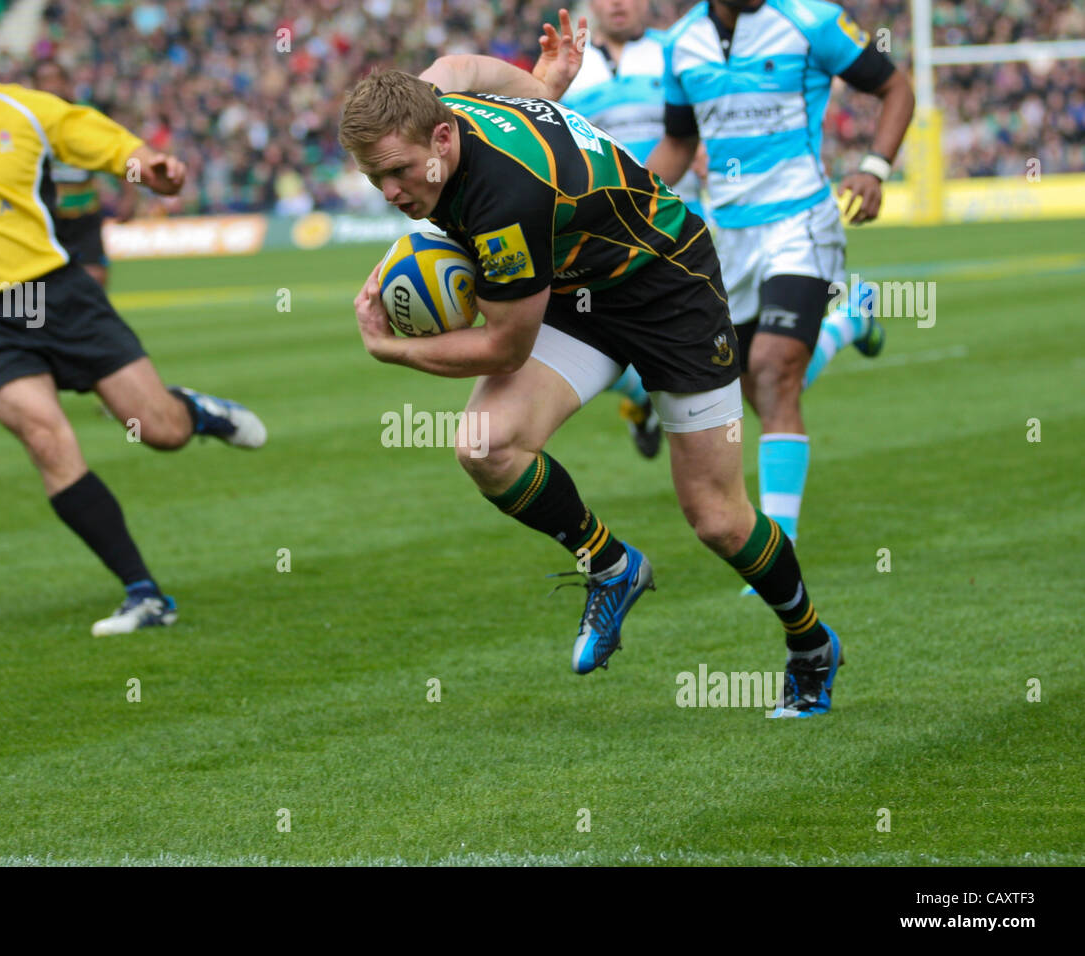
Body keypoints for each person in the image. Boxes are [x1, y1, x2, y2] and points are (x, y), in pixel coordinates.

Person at [341, 37, 844, 716]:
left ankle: (810, 642)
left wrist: (392, 351)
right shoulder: (438, 91)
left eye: (400, 172)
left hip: (668, 288)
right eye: (377, 179)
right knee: (487, 446)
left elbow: (505, 348)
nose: (392, 192)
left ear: (442, 132)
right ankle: (611, 565)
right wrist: (541, 86)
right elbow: (462, 65)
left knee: (717, 518)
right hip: (579, 288)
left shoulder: (504, 201)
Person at [0, 0, 266, 636]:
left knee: (158, 430)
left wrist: (148, 167)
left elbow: (101, 140)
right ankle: (144, 593)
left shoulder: (25, 109)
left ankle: (194, 412)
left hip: (61, 296)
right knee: (48, 440)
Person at [645, 0, 914, 562]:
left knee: (772, 368)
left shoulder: (811, 20)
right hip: (731, 238)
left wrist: (875, 167)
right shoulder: (681, 43)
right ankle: (849, 322)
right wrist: (623, 201)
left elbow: (896, 89)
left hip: (802, 223)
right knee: (755, 384)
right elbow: (679, 143)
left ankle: (776, 550)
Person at [544, 0, 709, 459]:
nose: (618, 4)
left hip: (683, 226)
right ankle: (641, 400)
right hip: (604, 233)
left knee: (737, 356)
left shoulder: (675, 51)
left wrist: (710, 149)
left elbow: (706, 117)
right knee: (593, 337)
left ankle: (846, 323)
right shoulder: (568, 64)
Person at [33, 58, 137, 289]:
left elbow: (123, 153)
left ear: (66, 83)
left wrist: (130, 194)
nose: (50, 86)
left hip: (84, 214)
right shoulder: (27, 122)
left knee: (95, 283)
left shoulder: (85, 116)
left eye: (55, 79)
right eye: (43, 81)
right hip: (45, 219)